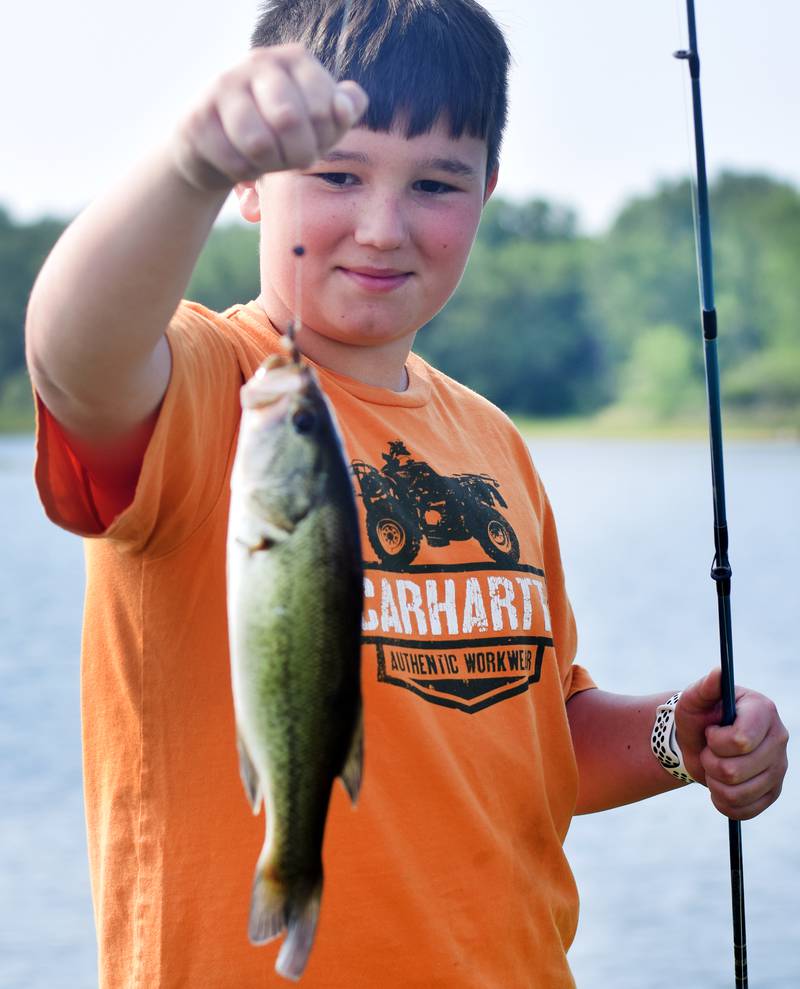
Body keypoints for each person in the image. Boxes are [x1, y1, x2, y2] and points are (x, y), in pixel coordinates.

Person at [25, 1, 788, 987]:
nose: (380, 228)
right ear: (254, 184)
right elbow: (71, 353)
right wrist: (189, 164)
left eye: (434, 183)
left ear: (487, 192)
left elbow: (528, 732)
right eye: (337, 174)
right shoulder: (212, 386)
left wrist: (672, 740)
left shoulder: (491, 442)